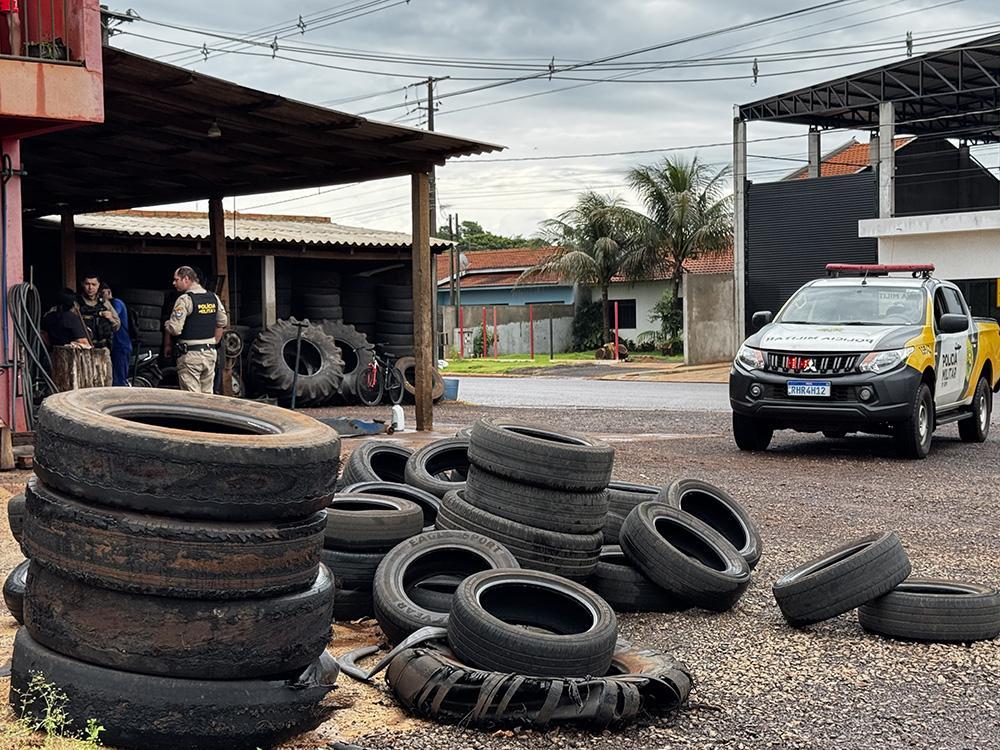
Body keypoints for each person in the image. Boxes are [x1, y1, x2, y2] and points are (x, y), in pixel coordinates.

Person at [164, 266, 228, 394]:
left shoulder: (185, 300)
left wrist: (167, 324)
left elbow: (175, 329)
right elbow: (222, 322)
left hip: (190, 355)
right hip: (210, 353)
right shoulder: (213, 298)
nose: (174, 283)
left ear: (186, 279)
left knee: (192, 398)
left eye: (176, 280)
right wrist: (212, 342)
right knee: (207, 395)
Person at [100, 282, 133, 387]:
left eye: (101, 293)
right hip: (113, 345)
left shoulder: (116, 303)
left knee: (119, 379)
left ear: (108, 292)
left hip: (121, 345)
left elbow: (114, 315)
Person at [77, 272, 120, 349]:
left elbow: (117, 326)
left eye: (94, 284)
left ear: (98, 285)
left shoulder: (104, 303)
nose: (90, 288)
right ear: (82, 284)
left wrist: (111, 319)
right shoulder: (76, 303)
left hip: (103, 348)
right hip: (84, 348)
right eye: (87, 284)